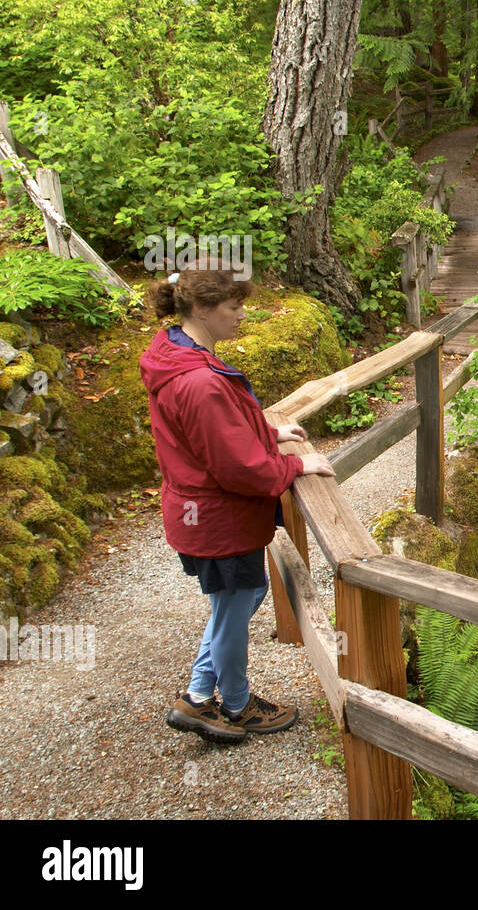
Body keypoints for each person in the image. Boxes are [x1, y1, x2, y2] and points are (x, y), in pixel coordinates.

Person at [138, 260, 335, 743]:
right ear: (203, 310)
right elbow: (238, 467)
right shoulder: (199, 381)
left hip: (204, 515)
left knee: (239, 600)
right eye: (233, 306)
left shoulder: (176, 353)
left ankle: (198, 696)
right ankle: (236, 705)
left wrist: (266, 430)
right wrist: (294, 466)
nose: (242, 315)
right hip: (218, 519)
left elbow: (211, 432)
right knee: (235, 605)